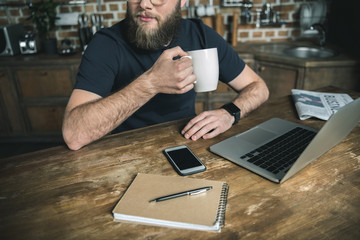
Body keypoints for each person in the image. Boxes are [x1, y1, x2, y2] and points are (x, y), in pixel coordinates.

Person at [62, 0, 269, 150]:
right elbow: (74, 135)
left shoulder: (201, 34)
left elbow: (258, 88)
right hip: (123, 152)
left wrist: (229, 114)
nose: (144, 3)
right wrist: (151, 83)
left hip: (187, 145)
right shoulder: (106, 44)